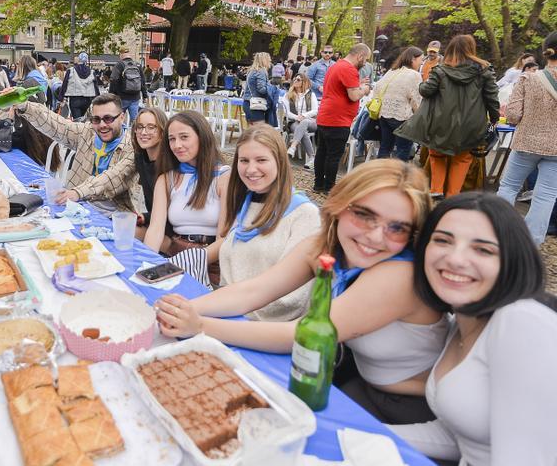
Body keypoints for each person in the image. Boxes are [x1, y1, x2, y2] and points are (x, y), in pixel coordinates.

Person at [156, 159, 449, 424]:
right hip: (358, 382)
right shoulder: (326, 245)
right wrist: (184, 306)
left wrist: (200, 325)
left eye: (397, 228)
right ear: (340, 205)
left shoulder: (398, 275)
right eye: (364, 215)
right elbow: (253, 291)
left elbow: (297, 334)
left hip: (410, 410)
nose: (375, 236)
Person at [390, 192, 557, 465]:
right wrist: (358, 431)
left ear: (512, 262)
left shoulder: (521, 320)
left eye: (483, 249)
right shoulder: (461, 322)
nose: (456, 259)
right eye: (443, 240)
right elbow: (461, 439)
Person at [216, 125, 320, 319]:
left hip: (268, 330)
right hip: (229, 313)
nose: (251, 169)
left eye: (261, 160)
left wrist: (227, 309)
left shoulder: (305, 215)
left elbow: (294, 298)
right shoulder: (245, 203)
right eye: (244, 160)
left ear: (279, 162)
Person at [396, 35, 500, 199]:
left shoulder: (441, 70)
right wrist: (494, 118)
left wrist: (424, 82)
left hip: (441, 121)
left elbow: (425, 90)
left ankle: (436, 189)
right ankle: (453, 196)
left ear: (450, 49)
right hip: (471, 124)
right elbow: (492, 98)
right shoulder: (484, 71)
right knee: (462, 159)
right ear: (471, 49)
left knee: (437, 153)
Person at [10, 93, 136, 213]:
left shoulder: (132, 147)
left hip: (113, 215)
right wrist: (24, 106)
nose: (102, 125)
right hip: (76, 205)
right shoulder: (88, 132)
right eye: (96, 119)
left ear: (122, 117)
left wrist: (77, 193)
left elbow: (110, 178)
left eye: (108, 119)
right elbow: (59, 126)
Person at [144, 111, 230, 284]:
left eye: (184, 137)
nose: (177, 145)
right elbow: (155, 229)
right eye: (172, 139)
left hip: (211, 259)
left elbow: (225, 239)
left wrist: (188, 261)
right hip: (174, 251)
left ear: (202, 137)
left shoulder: (223, 177)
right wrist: (147, 263)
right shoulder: (167, 178)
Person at [55, 107, 167, 234]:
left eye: (151, 127)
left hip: (171, 232)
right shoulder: (140, 157)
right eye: (140, 127)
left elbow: (173, 211)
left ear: (163, 131)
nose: (143, 132)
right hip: (155, 222)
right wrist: (145, 217)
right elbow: (113, 175)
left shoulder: (169, 165)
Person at [495, 32, 557, 246]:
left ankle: (497, 233)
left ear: (546, 50)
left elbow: (512, 115)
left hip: (526, 143)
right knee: (546, 196)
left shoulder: (528, 79)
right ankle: (530, 243)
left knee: (509, 187)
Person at [314, 43, 372, 193]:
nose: (365, 63)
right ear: (360, 56)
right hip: (338, 119)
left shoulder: (336, 66)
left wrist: (357, 85)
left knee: (322, 152)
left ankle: (318, 184)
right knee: (333, 155)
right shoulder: (349, 69)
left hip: (325, 115)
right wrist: (364, 89)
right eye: (365, 59)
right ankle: (329, 187)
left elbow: (340, 88)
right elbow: (353, 96)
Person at [373, 46, 424, 162]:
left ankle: (379, 176)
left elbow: (377, 88)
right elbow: (416, 100)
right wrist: (419, 117)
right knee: (403, 150)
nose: (421, 63)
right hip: (402, 117)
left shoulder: (392, 71)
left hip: (384, 115)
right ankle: (398, 178)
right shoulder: (414, 75)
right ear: (412, 59)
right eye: (420, 60)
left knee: (385, 147)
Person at [283, 73, 319, 169]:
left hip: (311, 121)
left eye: (298, 79)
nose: (295, 81)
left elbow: (315, 110)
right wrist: (297, 117)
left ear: (304, 82)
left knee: (305, 122)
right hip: (294, 122)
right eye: (294, 79)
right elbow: (287, 112)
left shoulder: (311, 94)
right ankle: (312, 158)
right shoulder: (288, 95)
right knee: (303, 131)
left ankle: (293, 145)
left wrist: (304, 115)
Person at [110, 47, 148, 124]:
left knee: (118, 119)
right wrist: (145, 96)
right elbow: (143, 82)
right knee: (134, 121)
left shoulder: (119, 65)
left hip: (122, 97)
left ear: (121, 55)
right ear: (129, 54)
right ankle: (134, 134)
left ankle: (121, 135)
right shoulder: (137, 65)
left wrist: (111, 94)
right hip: (135, 97)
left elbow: (113, 80)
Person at [58, 52, 100, 120]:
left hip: (75, 98)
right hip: (87, 99)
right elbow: (95, 87)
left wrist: (61, 98)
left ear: (78, 59)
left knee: (77, 120)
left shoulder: (71, 71)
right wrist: (98, 99)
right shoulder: (92, 72)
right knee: (82, 118)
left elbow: (65, 85)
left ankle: (79, 129)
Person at [241, 52, 273, 126]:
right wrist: (271, 88)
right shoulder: (261, 71)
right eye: (269, 59)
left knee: (252, 132)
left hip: (247, 103)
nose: (270, 61)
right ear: (264, 60)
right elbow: (261, 89)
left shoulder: (251, 71)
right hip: (255, 105)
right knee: (260, 131)